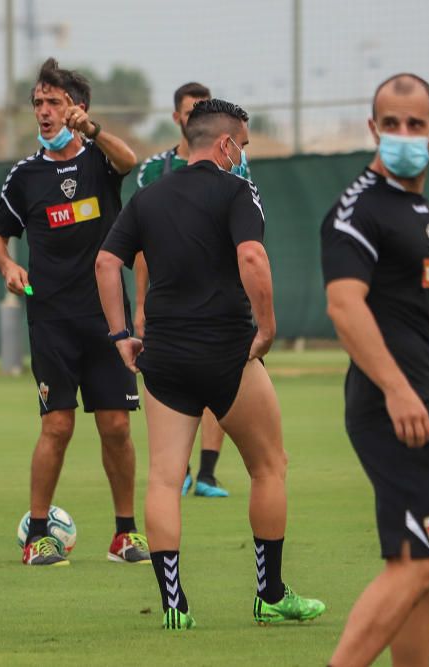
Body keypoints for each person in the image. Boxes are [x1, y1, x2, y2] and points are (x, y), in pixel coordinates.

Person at [96, 98, 325, 629]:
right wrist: (266, 329)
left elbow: (107, 261)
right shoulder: (238, 190)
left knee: (162, 480)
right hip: (229, 356)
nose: (242, 155)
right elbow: (251, 256)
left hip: (166, 359)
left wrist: (121, 335)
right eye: (242, 146)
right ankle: (269, 595)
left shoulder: (149, 197)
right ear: (225, 144)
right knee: (269, 467)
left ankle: (175, 607)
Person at [0, 58, 148, 567]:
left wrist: (92, 130)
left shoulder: (100, 162)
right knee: (57, 425)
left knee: (117, 427)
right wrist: (8, 266)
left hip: (107, 321)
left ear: (77, 108)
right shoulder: (26, 176)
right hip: (51, 320)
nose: (44, 111)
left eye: (54, 101)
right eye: (38, 102)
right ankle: (38, 535)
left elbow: (130, 159)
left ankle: (125, 535)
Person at [324, 74, 429, 667]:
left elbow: (411, 318)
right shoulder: (358, 210)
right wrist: (401, 391)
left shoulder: (421, 209)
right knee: (418, 560)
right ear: (373, 127)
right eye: (392, 123)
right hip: (389, 405)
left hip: (419, 399)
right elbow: (344, 306)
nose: (403, 134)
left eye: (415, 124)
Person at [135, 81, 229, 498]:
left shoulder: (233, 165)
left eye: (203, 109)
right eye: (191, 110)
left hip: (218, 303)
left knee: (221, 386)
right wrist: (139, 306)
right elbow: (137, 245)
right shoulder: (154, 171)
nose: (197, 117)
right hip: (169, 307)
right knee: (174, 389)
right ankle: (183, 470)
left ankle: (207, 474)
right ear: (176, 117)